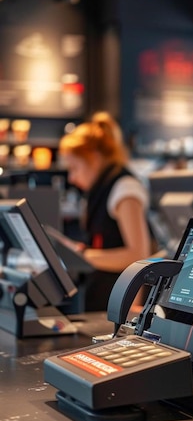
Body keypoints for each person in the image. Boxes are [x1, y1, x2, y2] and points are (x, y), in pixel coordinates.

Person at [58, 112, 152, 312]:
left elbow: (138, 255)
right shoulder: (100, 190)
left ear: (93, 158)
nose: (72, 178)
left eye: (74, 168)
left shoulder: (125, 189)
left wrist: (83, 256)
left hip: (123, 308)